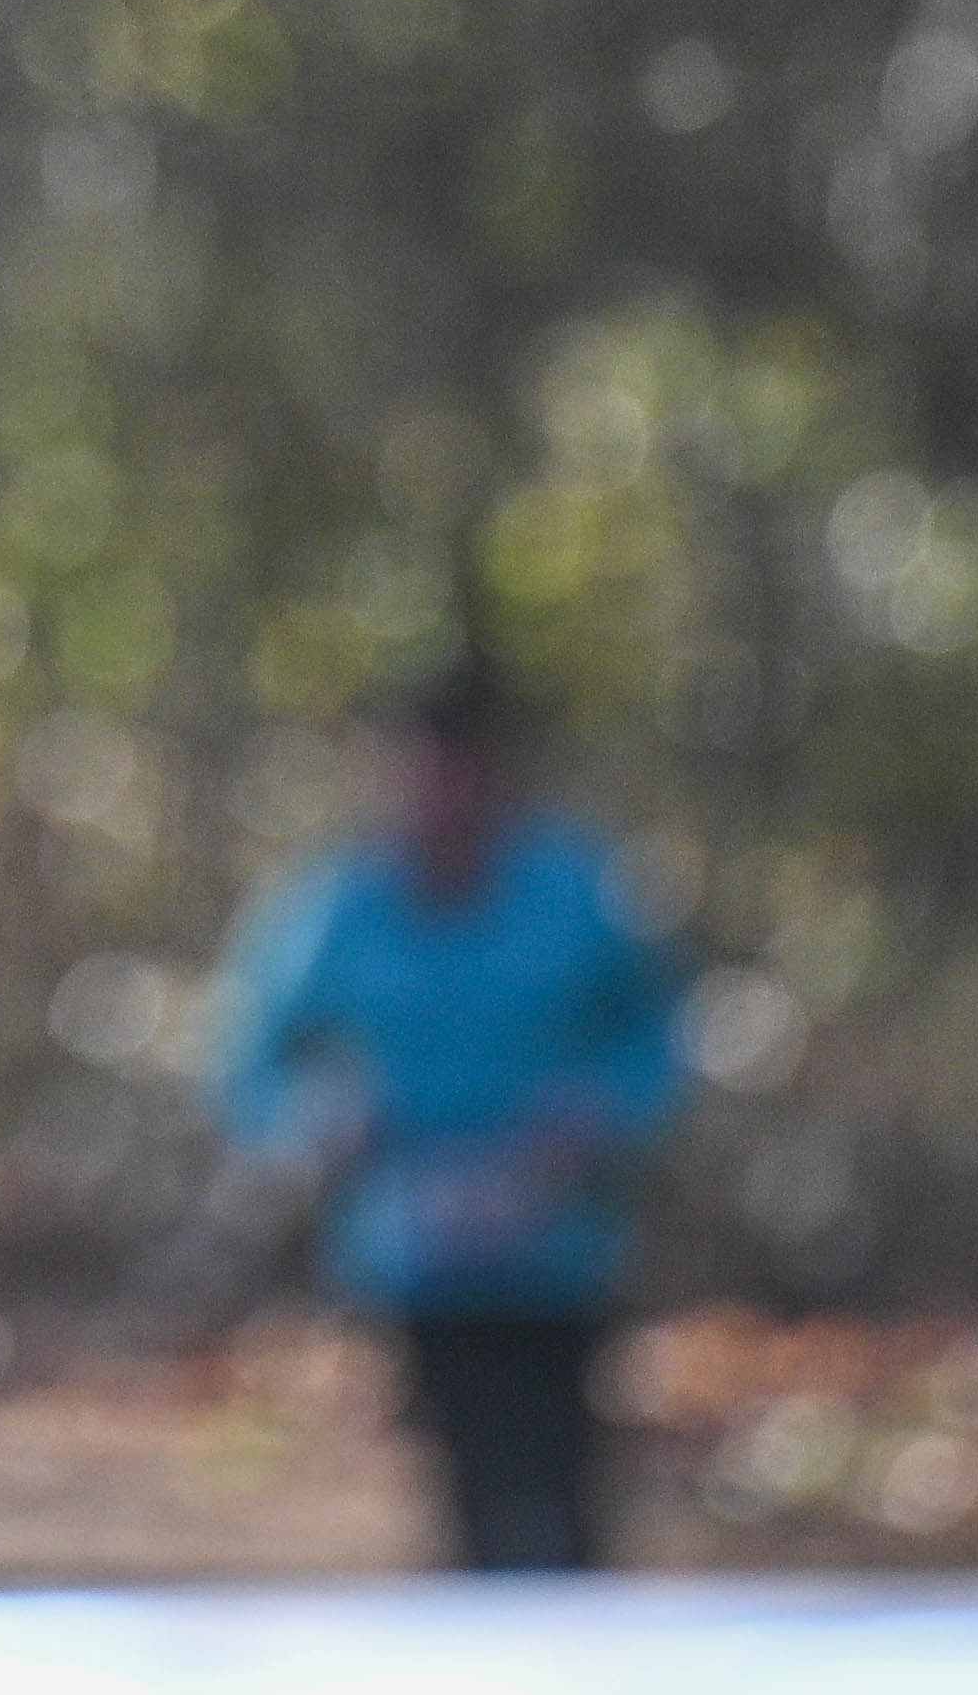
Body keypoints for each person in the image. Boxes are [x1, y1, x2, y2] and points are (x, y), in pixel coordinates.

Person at [202, 652, 689, 1574]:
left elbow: (658, 1038)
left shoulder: (577, 891)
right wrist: (318, 1122)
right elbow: (252, 1063)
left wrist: (602, 1118)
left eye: (463, 775)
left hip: (557, 1248)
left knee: (560, 1484)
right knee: (470, 1486)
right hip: (416, 1254)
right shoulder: (335, 909)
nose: (444, 800)